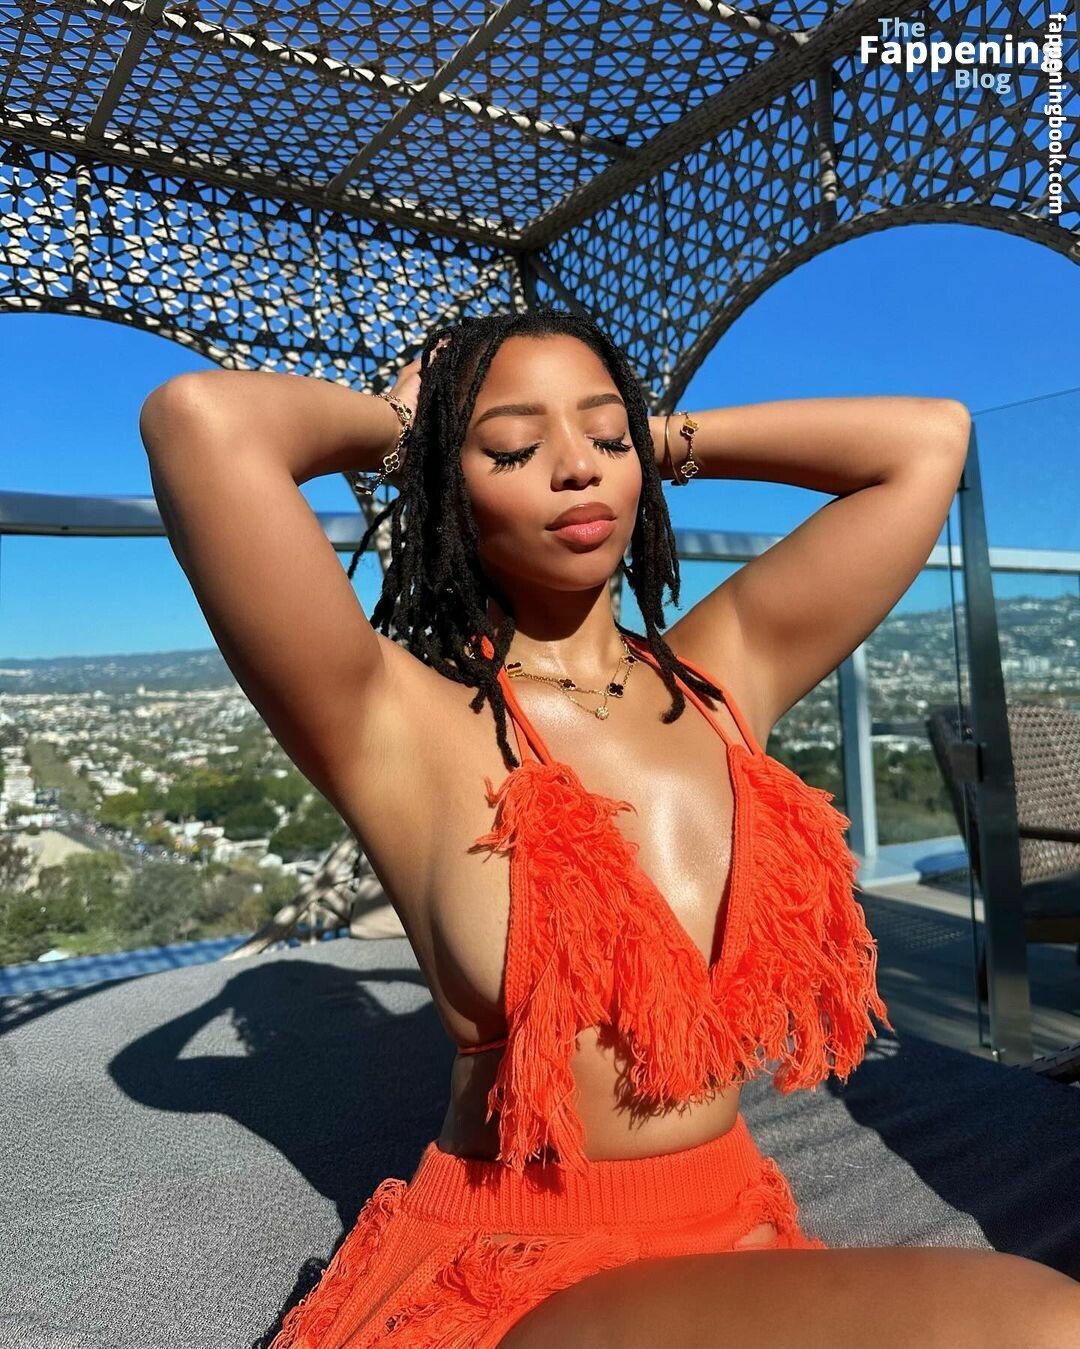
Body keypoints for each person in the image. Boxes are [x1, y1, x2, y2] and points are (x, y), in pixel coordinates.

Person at [140, 309, 1080, 1347]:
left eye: (605, 437)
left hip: (730, 1239)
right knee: (1044, 1321)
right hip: (527, 1270)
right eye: (512, 447)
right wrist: (411, 427)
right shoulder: (395, 721)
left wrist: (658, 436)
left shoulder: (724, 673)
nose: (577, 468)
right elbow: (200, 422)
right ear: (452, 482)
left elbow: (929, 441)